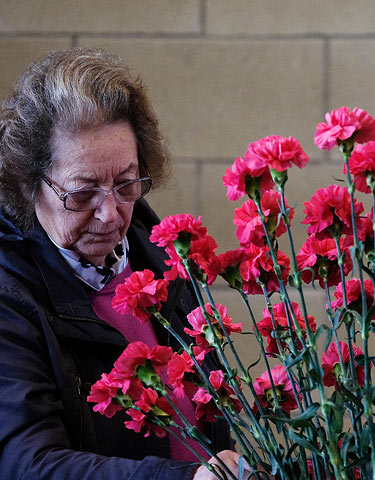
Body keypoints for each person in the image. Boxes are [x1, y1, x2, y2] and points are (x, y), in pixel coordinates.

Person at [0, 48, 244, 479]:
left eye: (126, 183)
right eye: (82, 192)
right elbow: (28, 463)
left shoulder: (161, 258)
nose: (110, 213)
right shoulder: (10, 293)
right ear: (27, 185)